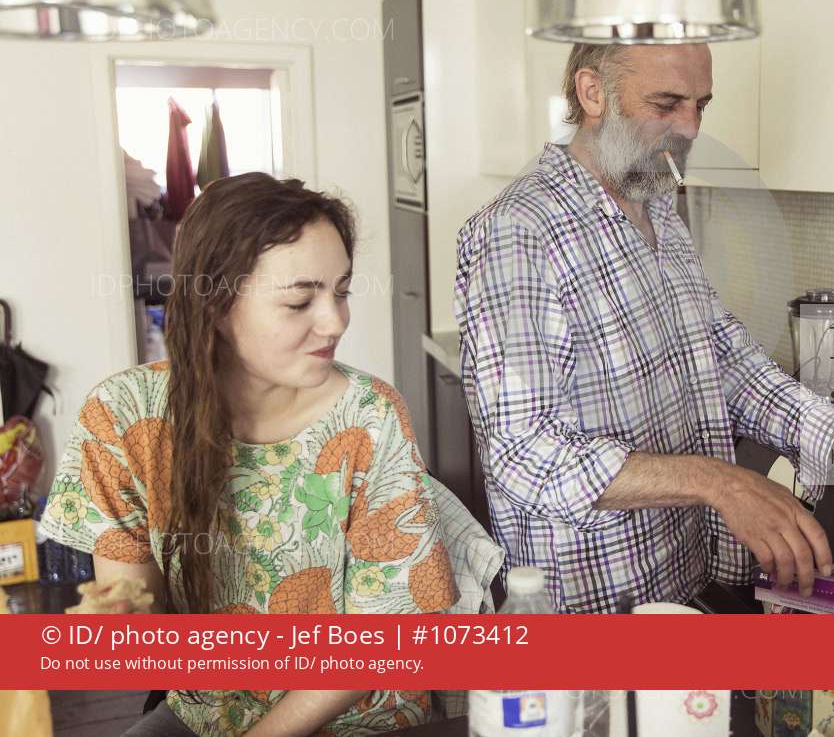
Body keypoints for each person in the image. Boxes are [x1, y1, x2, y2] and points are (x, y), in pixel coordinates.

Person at [454, 43, 834, 614]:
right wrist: (719, 483)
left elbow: (722, 359)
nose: (689, 127)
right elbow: (523, 454)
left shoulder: (657, 203)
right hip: (588, 614)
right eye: (665, 104)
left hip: (682, 583)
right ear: (592, 93)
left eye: (700, 105)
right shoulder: (518, 232)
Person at [41, 173, 500, 735]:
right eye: (300, 301)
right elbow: (138, 613)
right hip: (204, 710)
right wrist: (125, 620)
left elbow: (382, 641)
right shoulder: (124, 416)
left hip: (359, 715)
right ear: (216, 304)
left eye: (342, 291)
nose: (335, 321)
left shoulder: (370, 417)